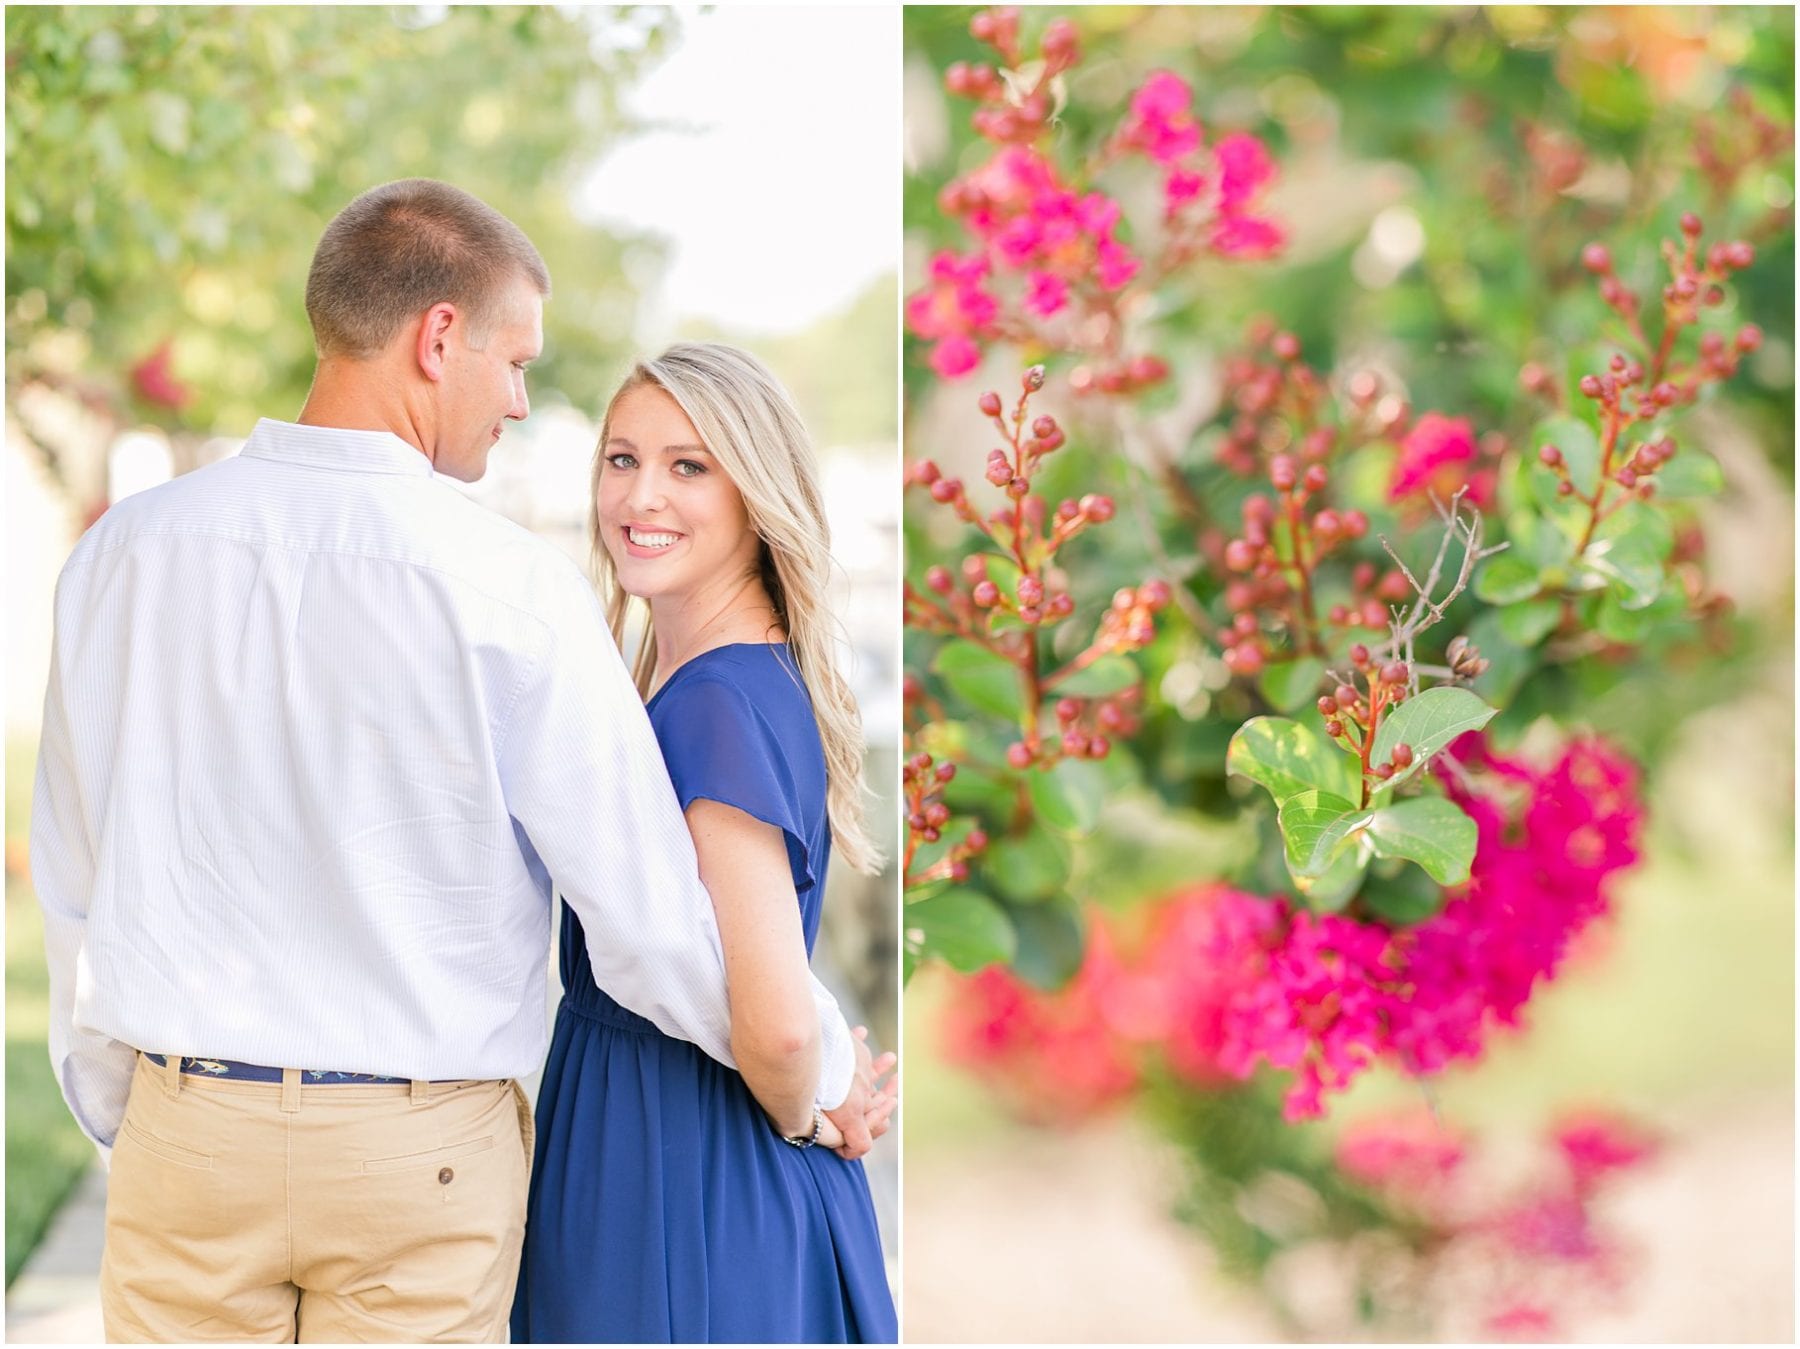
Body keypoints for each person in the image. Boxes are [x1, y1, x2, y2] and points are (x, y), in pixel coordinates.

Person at [30, 180, 886, 1343]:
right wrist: (821, 1067)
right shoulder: (510, 586)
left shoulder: (121, 555)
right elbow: (646, 917)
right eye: (517, 361)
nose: (524, 402)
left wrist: (127, 1105)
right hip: (419, 1155)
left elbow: (74, 870)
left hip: (191, 1131)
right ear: (440, 338)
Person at [510, 344, 900, 1343]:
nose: (642, 495)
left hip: (686, 1167)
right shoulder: (698, 677)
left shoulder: (719, 701)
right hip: (659, 1143)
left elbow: (771, 1022)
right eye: (621, 458)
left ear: (755, 493)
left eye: (690, 466)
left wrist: (815, 1109)